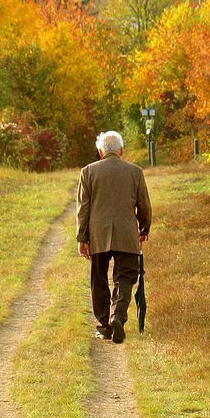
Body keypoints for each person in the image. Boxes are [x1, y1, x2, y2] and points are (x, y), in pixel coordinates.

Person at [76, 131, 152, 344]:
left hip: (98, 235)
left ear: (100, 152)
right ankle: (118, 315)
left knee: (99, 279)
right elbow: (144, 205)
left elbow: (84, 208)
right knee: (125, 276)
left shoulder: (88, 172)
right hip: (126, 234)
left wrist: (82, 238)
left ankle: (105, 326)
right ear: (121, 150)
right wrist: (144, 228)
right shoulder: (135, 172)